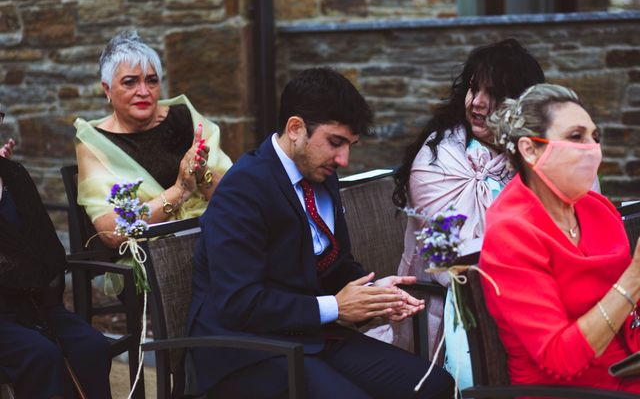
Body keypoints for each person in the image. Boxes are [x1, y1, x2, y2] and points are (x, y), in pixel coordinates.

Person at [186, 68, 454, 398]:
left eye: (350, 145)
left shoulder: (320, 174)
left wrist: (374, 294)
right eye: (335, 142)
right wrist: (335, 308)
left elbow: (336, 265)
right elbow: (240, 303)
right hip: (244, 353)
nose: (344, 159)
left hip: (311, 336)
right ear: (296, 128)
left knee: (434, 386)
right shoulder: (243, 190)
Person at [389, 38, 545, 385]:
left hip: (527, 292)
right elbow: (445, 261)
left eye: (494, 95)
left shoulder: (534, 158)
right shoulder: (435, 164)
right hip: (452, 308)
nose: (477, 102)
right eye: (473, 89)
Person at [480, 83, 640, 393]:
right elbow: (560, 358)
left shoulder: (597, 208)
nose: (592, 148)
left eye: (595, 137)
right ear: (530, 149)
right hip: (572, 390)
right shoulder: (511, 233)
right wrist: (634, 278)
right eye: (576, 137)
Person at [74, 31, 232, 248]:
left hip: (212, 236)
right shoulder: (95, 142)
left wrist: (203, 173)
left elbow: (234, 199)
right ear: (107, 89)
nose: (143, 91)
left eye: (152, 81)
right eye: (130, 82)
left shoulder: (185, 118)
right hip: (151, 257)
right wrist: (179, 191)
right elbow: (112, 231)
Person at [0, 136, 112, 398]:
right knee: (41, 354)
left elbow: (46, 244)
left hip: (35, 302)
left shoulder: (14, 175)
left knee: (91, 346)